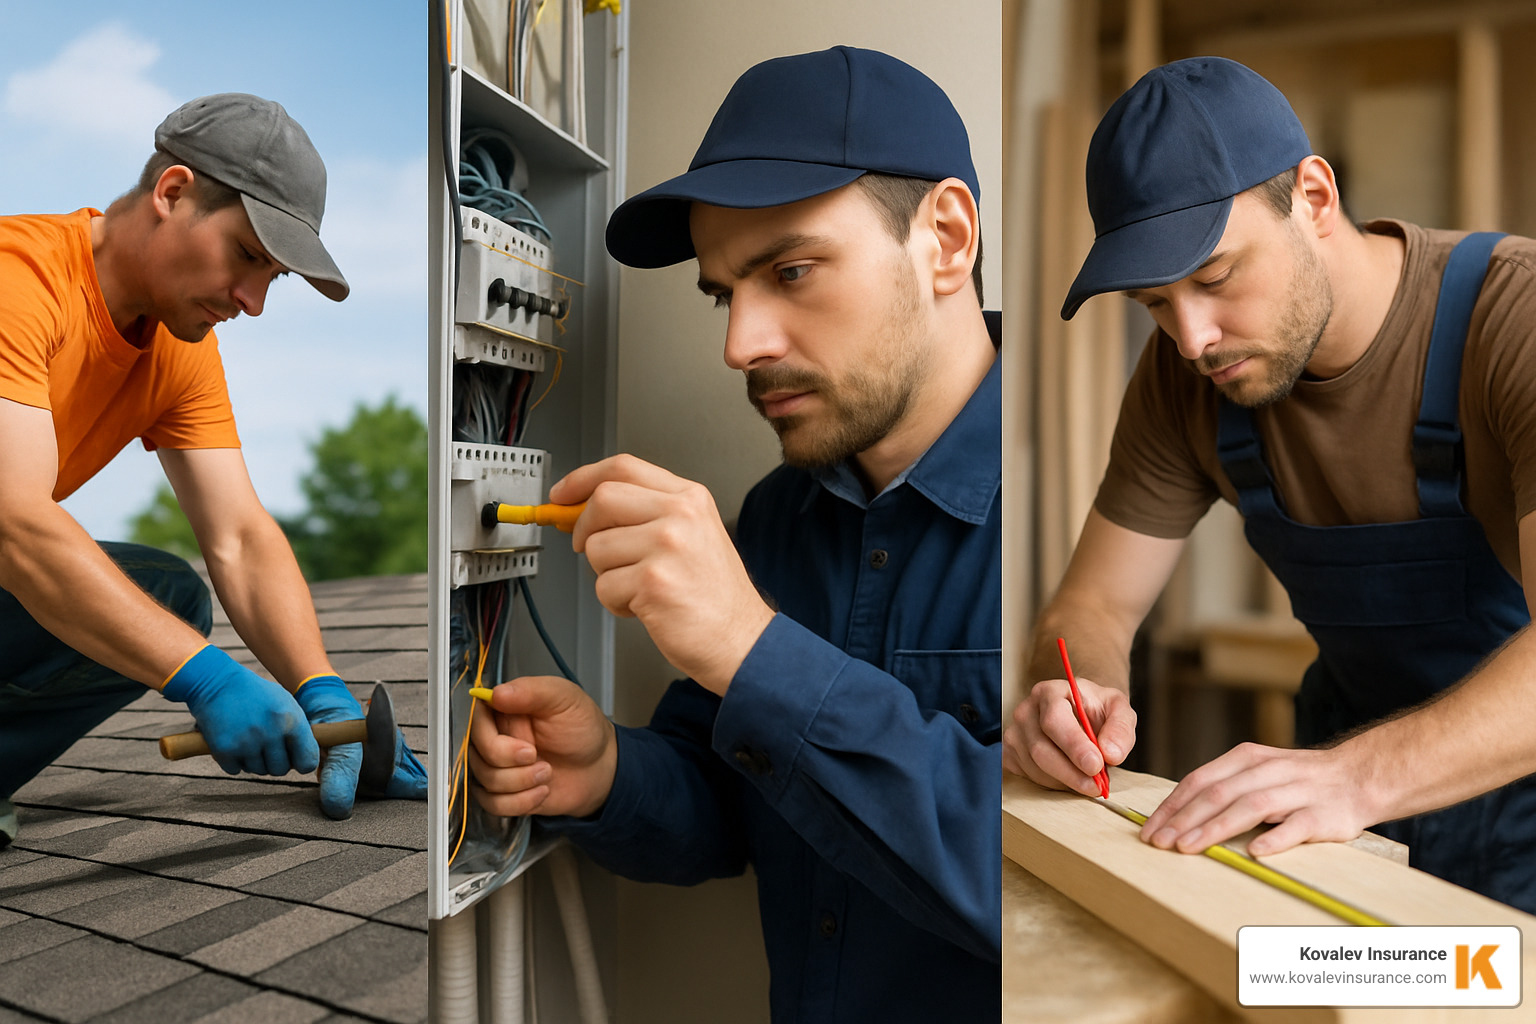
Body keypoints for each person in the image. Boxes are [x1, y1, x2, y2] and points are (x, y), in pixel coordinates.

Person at [468, 47, 1000, 1022]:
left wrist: (755, 651)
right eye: (724, 292)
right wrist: (608, 774)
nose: (739, 344)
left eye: (790, 270)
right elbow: (733, 801)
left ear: (947, 240)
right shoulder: (776, 517)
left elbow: (1061, 884)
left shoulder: (1087, 512)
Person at [1003, 55, 1536, 912]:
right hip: (1342, 782)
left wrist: (1358, 779)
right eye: (1154, 304)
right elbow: (1090, 611)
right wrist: (1070, 695)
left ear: (1314, 199)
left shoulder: (1513, 321)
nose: (1192, 338)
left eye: (1215, 278)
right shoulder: (1186, 380)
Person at [0, 93, 426, 844]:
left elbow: (237, 534)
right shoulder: (19, 282)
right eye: (249, 257)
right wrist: (208, 677)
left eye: (274, 279)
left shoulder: (180, 350)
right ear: (173, 193)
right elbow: (14, 524)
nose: (253, 302)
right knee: (154, 618)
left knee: (162, 592)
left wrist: (322, 693)